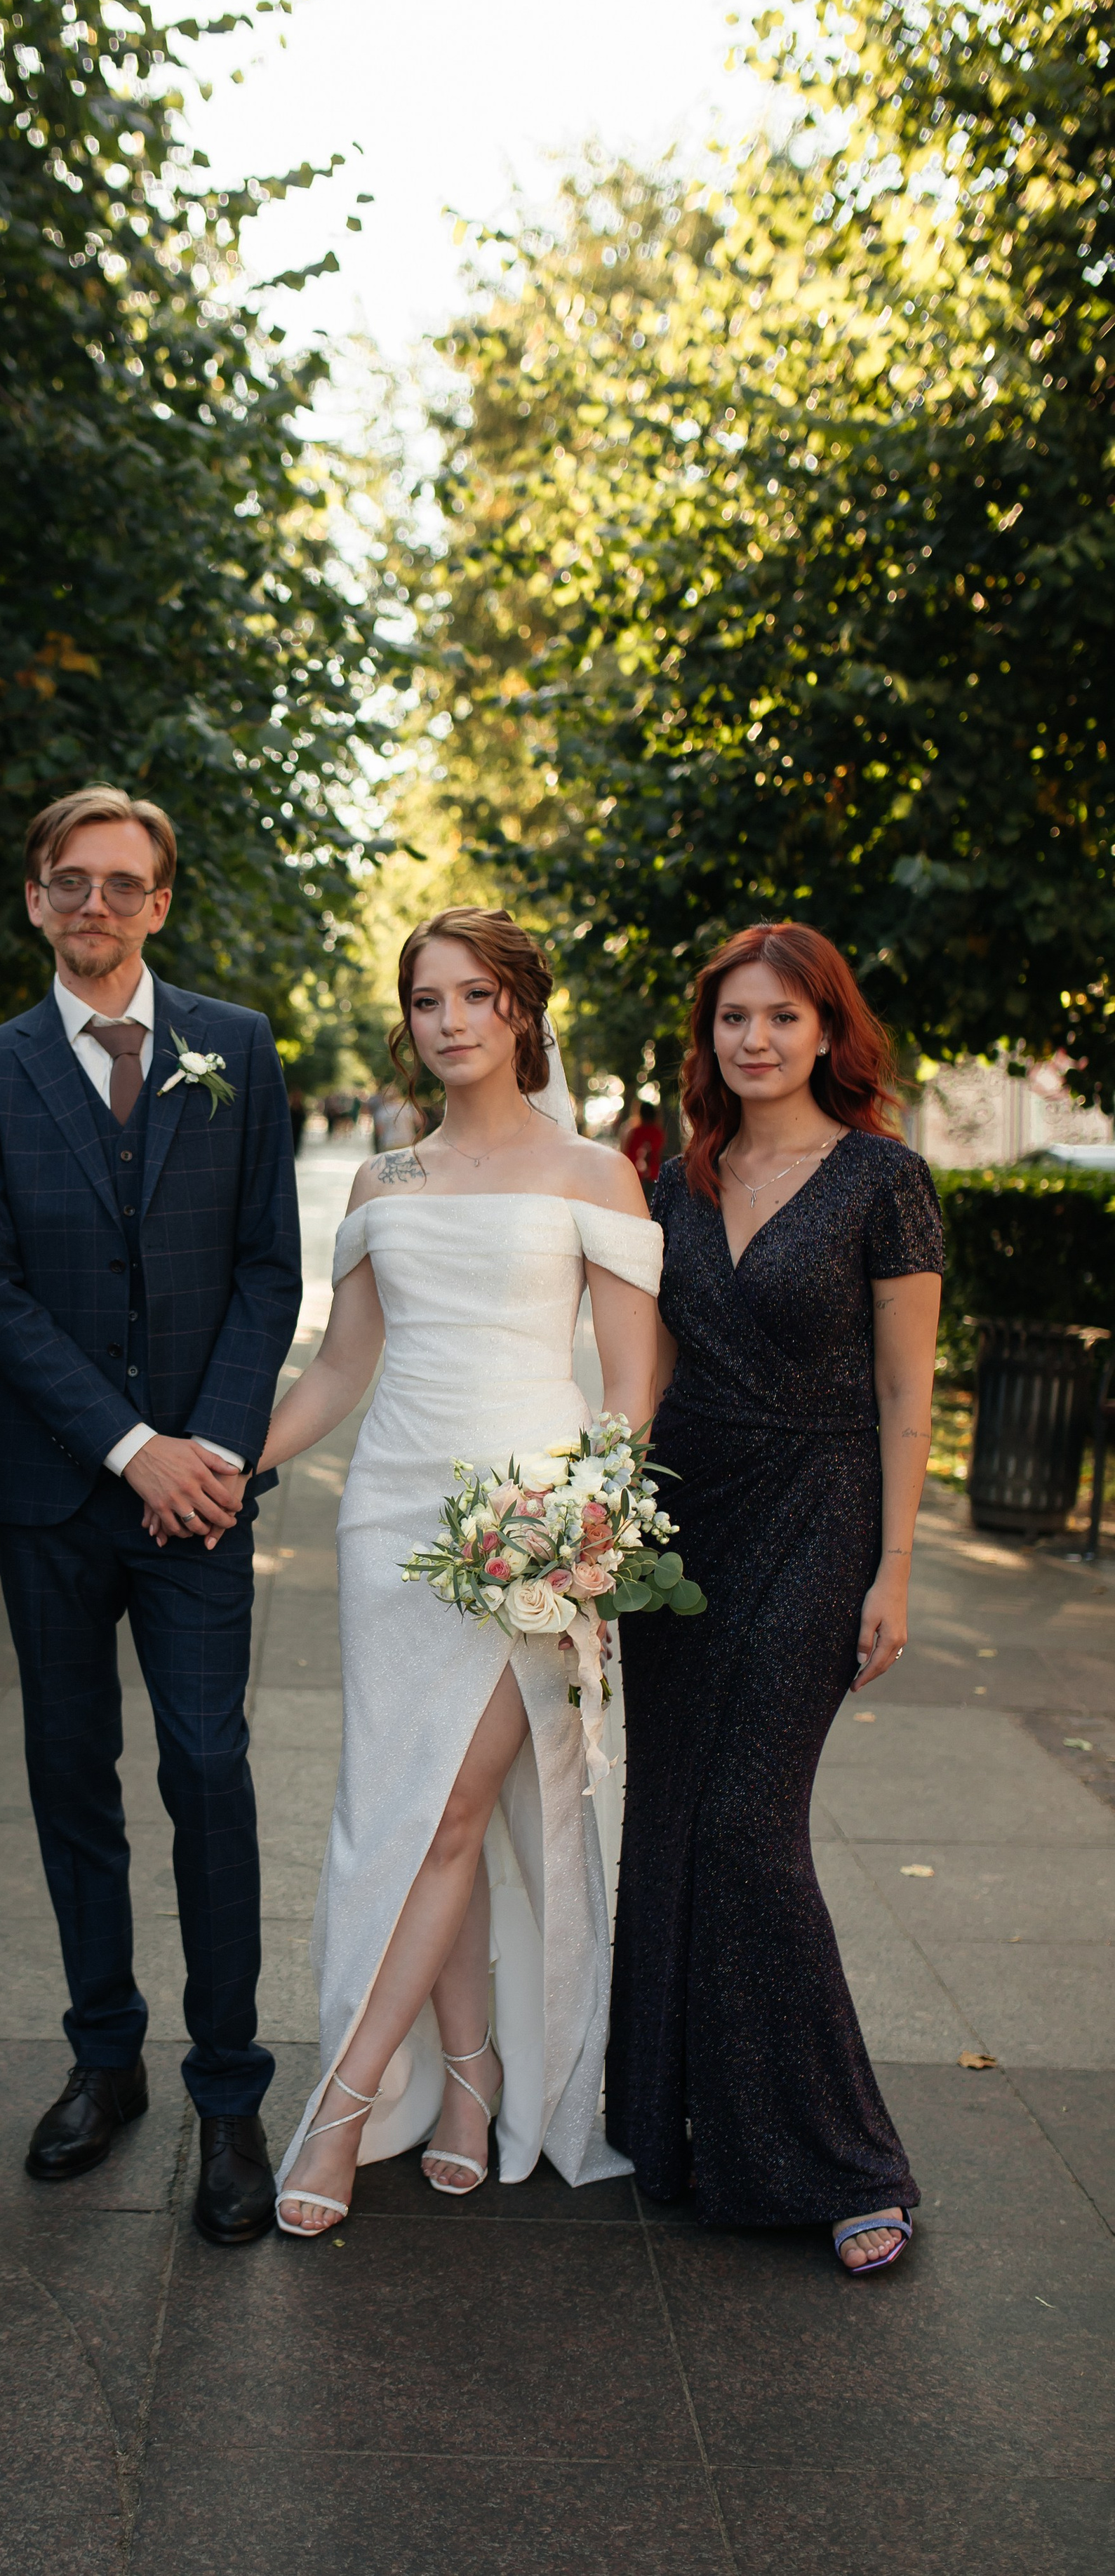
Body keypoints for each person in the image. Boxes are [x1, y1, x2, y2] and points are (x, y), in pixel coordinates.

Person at [259, 908, 661, 2236]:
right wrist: (229, 1462)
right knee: (425, 1808)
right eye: (427, 1000)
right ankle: (475, 2085)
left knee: (447, 1811)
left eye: (475, 996)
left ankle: (348, 2098)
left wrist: (584, 1521)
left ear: (522, 1010)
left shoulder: (597, 1175)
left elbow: (636, 1379)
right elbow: (338, 1369)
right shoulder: (387, 1186)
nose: (449, 1022)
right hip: (390, 1519)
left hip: (528, 1534)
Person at [0, 787, 301, 2248]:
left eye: (123, 884)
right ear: (34, 900)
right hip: (51, 1496)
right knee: (67, 1774)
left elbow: (270, 1268)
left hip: (202, 1502)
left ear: (160, 902)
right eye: (68, 883)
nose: (95, 905)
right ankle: (106, 2062)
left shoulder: (237, 1046)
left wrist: (204, 1447)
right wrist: (126, 1446)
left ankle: (227, 2096)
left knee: (208, 1774)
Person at [605, 921, 942, 2276]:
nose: (755, 1039)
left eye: (782, 1018)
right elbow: (648, 1370)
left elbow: (909, 1391)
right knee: (673, 1816)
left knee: (750, 1822)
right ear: (711, 1037)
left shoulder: (885, 1179)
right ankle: (682, 2127)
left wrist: (896, 1563)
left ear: (828, 1032)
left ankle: (848, 2157)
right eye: (734, 1018)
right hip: (681, 1528)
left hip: (820, 1513)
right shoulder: (675, 1183)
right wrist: (591, 1519)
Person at [620, 1097, 666, 1187]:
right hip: (653, 1176)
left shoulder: (633, 1132)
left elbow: (626, 1152)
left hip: (634, 1176)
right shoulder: (658, 1133)